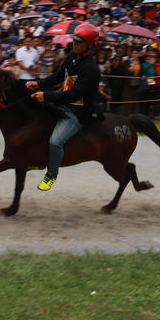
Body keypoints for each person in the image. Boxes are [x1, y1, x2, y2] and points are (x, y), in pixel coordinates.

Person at [26, 22, 105, 192]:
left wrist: (46, 95)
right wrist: (37, 84)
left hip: (79, 112)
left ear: (89, 45)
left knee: (55, 142)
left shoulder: (91, 69)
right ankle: (37, 160)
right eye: (74, 40)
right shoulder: (72, 56)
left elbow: (73, 95)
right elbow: (57, 77)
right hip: (62, 103)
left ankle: (51, 175)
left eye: (78, 41)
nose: (74, 43)